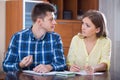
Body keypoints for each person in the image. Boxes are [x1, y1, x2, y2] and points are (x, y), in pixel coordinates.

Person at [3, 2, 66, 73]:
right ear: (39, 21)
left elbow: (62, 63)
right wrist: (20, 65)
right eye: (51, 19)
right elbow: (6, 66)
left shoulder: (55, 38)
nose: (55, 22)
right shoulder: (17, 38)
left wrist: (49, 67)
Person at [67, 10, 111, 74]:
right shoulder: (76, 39)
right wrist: (70, 67)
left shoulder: (106, 42)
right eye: (83, 23)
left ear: (97, 30)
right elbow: (69, 62)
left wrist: (94, 68)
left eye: (87, 25)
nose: (83, 27)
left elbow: (105, 63)